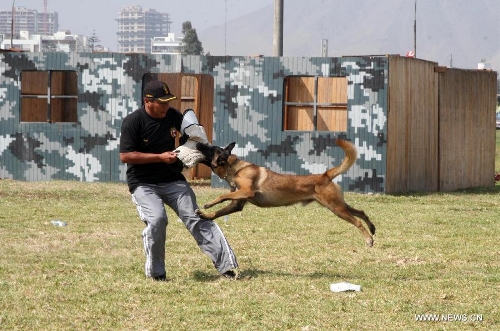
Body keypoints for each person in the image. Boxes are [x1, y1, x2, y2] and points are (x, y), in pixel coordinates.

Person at [119, 80, 239, 281]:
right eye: (162, 102)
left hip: (173, 179)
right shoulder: (134, 121)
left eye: (168, 101)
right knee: (157, 220)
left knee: (196, 217)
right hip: (143, 183)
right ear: (148, 101)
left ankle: (226, 267)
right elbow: (126, 155)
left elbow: (192, 140)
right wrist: (160, 157)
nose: (167, 106)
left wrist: (202, 149)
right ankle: (157, 274)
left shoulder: (173, 116)